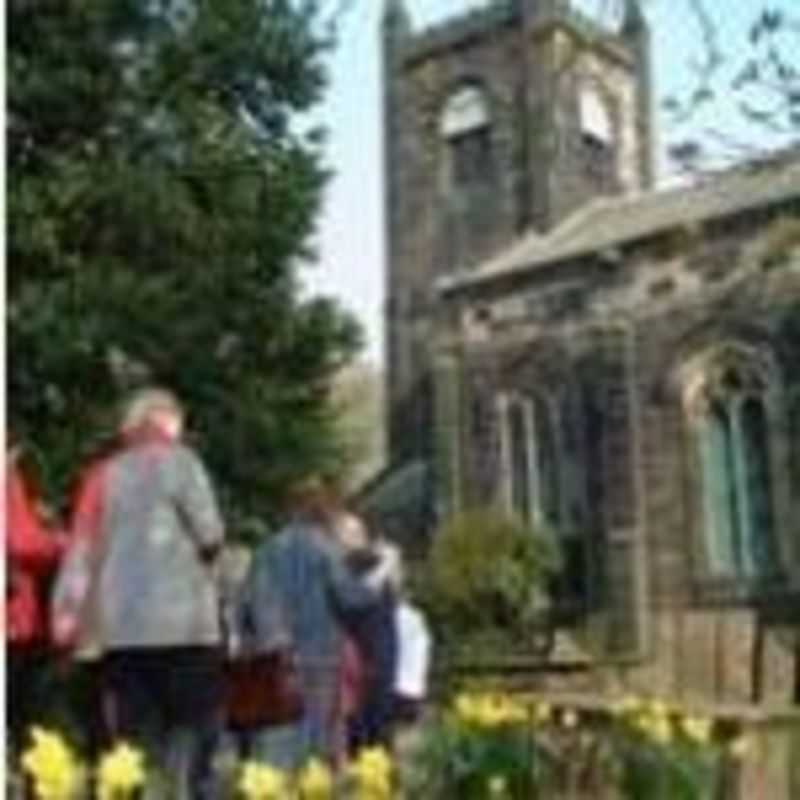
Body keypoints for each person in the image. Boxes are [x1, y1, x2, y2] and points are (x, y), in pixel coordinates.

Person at [81, 388, 225, 800]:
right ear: (164, 421)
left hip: (122, 628)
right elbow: (211, 532)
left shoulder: (108, 472)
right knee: (191, 732)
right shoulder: (182, 464)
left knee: (133, 742)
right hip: (181, 626)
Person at [238, 477, 393, 771]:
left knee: (276, 739)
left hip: (275, 658)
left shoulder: (266, 550)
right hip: (321, 656)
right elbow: (350, 597)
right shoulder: (325, 550)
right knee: (318, 741)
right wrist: (379, 576)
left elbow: (246, 604)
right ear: (321, 513)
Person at [6, 439, 65, 756]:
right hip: (16, 620)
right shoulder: (6, 480)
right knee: (28, 718)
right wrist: (60, 542)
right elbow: (21, 542)